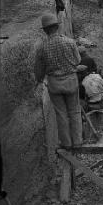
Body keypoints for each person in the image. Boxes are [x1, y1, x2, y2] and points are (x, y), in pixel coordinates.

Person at [33, 13, 82, 149]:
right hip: (71, 81)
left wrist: (39, 80)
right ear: (57, 27)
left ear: (45, 30)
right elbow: (78, 60)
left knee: (61, 114)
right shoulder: (69, 42)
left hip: (54, 83)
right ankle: (77, 141)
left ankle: (66, 143)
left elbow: (39, 70)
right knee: (74, 111)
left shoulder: (41, 48)